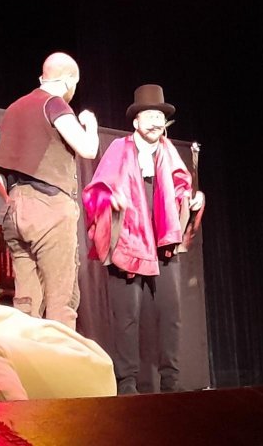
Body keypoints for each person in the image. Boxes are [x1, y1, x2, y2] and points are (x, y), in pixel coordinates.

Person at [82, 84, 205, 394]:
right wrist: (111, 201)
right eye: (149, 116)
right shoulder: (119, 149)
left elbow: (181, 187)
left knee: (170, 314)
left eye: (159, 117)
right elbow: (94, 193)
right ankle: (127, 382)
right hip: (128, 241)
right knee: (126, 317)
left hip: (163, 242)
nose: (155, 122)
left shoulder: (168, 150)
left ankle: (171, 381)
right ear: (136, 121)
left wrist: (192, 200)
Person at [0, 52, 99, 331]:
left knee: (26, 303)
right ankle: (60, 359)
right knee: (60, 301)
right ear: (69, 80)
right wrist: (90, 125)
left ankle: (25, 356)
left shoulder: (14, 109)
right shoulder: (54, 104)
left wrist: (8, 197)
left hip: (15, 211)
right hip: (50, 210)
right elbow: (88, 149)